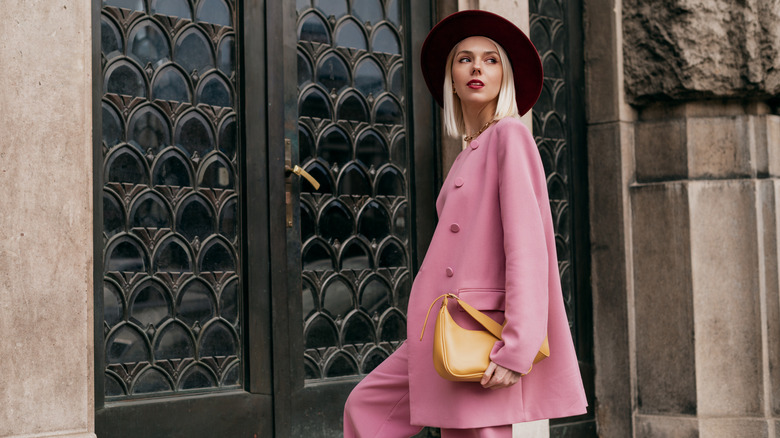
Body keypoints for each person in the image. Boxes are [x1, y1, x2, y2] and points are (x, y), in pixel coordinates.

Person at [343, 10, 587, 437]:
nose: (477, 67)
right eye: (465, 59)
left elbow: (528, 249)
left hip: (481, 329)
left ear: (504, 77)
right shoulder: (470, 150)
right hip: (440, 328)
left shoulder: (510, 136)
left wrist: (518, 348)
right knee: (367, 407)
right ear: (451, 78)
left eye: (491, 59)